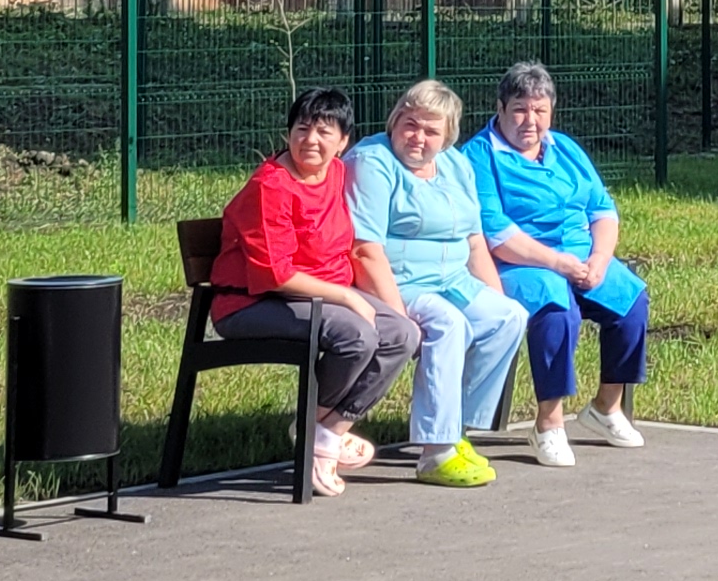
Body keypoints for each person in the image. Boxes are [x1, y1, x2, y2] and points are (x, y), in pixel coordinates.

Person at [208, 87, 417, 499]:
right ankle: (316, 440)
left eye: (324, 131)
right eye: (302, 129)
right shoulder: (270, 186)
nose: (311, 140)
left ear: (343, 142)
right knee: (356, 334)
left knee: (402, 333)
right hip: (252, 302)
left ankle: (326, 431)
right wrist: (349, 297)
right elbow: (276, 274)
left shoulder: (337, 173)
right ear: (288, 134)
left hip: (318, 295)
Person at [343, 80, 528, 487]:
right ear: (394, 122)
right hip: (398, 282)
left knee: (509, 317)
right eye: (410, 124)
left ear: (447, 137)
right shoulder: (372, 162)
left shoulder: (455, 165)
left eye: (431, 131)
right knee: (449, 324)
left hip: (453, 279)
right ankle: (435, 452)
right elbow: (365, 250)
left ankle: (457, 428)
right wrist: (399, 318)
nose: (418, 137)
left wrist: (494, 297)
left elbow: (474, 241)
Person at [464, 61, 647, 469]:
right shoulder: (479, 156)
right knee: (557, 310)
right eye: (519, 109)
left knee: (630, 298)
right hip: (519, 263)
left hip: (580, 256)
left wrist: (599, 259)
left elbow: (603, 210)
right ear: (500, 108)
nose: (530, 120)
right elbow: (495, 232)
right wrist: (557, 263)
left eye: (540, 110)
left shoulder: (565, 147)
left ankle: (606, 406)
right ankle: (548, 423)